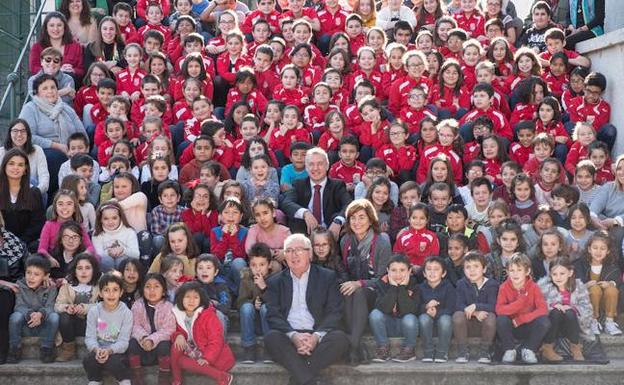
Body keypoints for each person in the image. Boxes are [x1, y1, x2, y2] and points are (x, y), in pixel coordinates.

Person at [263, 234, 349, 385]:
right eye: (288, 251)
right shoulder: (275, 282)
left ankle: (300, 377)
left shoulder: (327, 277)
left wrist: (315, 337)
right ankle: (309, 379)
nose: (293, 254)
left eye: (298, 250)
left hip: (317, 335)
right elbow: (273, 315)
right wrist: (294, 336)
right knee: (271, 338)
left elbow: (334, 311)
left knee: (340, 339)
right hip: (290, 336)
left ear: (309, 253)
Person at [340, 199, 392, 365]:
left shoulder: (382, 242)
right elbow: (345, 272)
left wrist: (359, 284)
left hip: (375, 291)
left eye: (362, 217)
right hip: (353, 291)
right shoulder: (345, 241)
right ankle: (355, 347)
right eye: (353, 218)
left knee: (358, 291)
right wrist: (351, 284)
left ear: (371, 220)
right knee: (348, 292)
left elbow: (384, 279)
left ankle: (353, 345)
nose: (357, 222)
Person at [19, 74, 86, 199]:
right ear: (37, 93)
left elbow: (82, 134)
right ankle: (53, 198)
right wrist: (56, 146)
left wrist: (75, 148)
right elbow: (27, 135)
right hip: (42, 151)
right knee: (55, 156)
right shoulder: (30, 109)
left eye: (53, 87)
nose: (50, 91)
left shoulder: (66, 109)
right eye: (45, 88)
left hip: (71, 149)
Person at [170, 281, 235, 385]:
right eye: (187, 297)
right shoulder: (178, 314)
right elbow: (174, 331)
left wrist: (207, 358)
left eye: (195, 297)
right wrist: (178, 335)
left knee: (182, 360)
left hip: (212, 354)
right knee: (176, 348)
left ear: (201, 299)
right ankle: (177, 381)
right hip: (194, 350)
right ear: (181, 298)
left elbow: (216, 340)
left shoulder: (208, 315)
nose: (191, 301)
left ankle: (222, 377)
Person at [280, 147, 352, 237]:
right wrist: (305, 213)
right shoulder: (298, 184)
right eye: (311, 164)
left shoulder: (337, 185)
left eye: (320, 164)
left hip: (330, 233)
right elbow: (287, 203)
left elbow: (349, 204)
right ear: (306, 167)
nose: (315, 168)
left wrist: (338, 221)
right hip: (307, 232)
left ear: (327, 166)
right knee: (296, 219)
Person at [7, 255, 59, 364]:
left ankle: (47, 348)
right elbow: (19, 306)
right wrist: (30, 313)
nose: (31, 277)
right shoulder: (19, 285)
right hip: (26, 326)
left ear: (46, 276)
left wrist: (40, 314)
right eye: (28, 272)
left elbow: (50, 306)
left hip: (44, 327)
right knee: (15, 317)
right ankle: (15, 348)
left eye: (36, 274)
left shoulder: (51, 287)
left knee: (54, 317)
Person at [369, 254, 420, 363]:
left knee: (410, 318)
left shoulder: (414, 284)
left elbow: (410, 310)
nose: (398, 274)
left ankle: (409, 350)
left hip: (407, 327)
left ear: (409, 271)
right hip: (389, 325)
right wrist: (393, 287)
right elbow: (384, 309)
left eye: (402, 270)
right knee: (375, 314)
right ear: (388, 270)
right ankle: (383, 348)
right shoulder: (382, 283)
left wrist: (401, 288)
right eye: (393, 270)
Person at [83, 273, 133, 385]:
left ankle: (124, 380)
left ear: (121, 293)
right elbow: (89, 338)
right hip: (99, 350)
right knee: (88, 360)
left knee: (114, 361)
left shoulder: (126, 313)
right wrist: (97, 350)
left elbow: (124, 342)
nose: (111, 294)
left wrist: (109, 351)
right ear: (100, 293)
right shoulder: (94, 311)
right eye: (106, 290)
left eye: (115, 290)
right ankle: (95, 380)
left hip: (117, 352)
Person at [129, 273, 176, 385]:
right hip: (142, 349)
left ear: (164, 291)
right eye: (148, 287)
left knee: (165, 344)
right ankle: (137, 377)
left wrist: (152, 340)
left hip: (160, 353)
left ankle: (164, 379)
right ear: (142, 290)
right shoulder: (137, 305)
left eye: (156, 286)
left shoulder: (168, 307)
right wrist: (144, 338)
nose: (152, 290)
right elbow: (134, 326)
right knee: (132, 343)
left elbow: (169, 329)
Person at [0, 148, 45, 250]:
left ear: (25, 170)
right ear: (4, 167)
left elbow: (37, 224)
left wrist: (19, 242)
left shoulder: (34, 192)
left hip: (26, 244)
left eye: (20, 165)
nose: (16, 167)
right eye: (11, 164)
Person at [0, 211, 28, 364]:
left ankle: (2, 351)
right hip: (5, 284)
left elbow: (27, 268)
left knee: (3, 305)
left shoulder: (13, 241)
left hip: (8, 290)